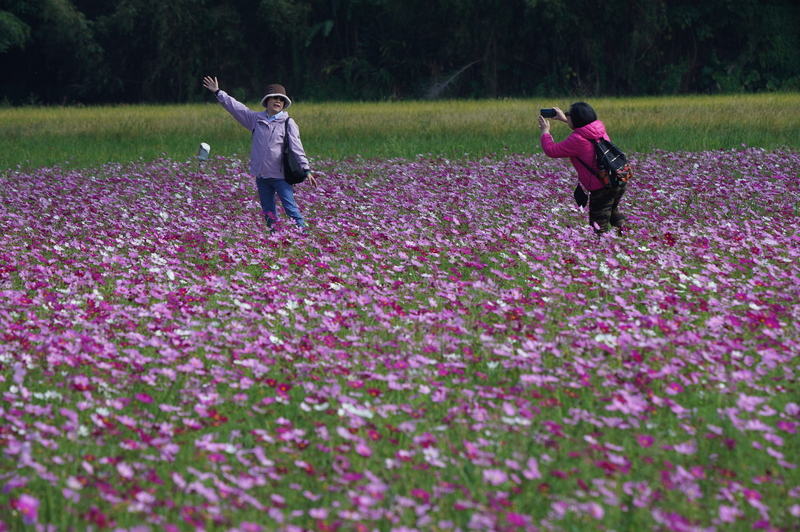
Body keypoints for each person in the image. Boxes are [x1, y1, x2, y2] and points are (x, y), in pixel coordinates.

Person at [202, 76, 318, 232]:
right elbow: (236, 107)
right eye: (274, 98)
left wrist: (306, 169)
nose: (277, 101)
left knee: (291, 209)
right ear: (267, 101)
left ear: (284, 103)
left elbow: (297, 147)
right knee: (269, 213)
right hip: (262, 177)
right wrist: (218, 92)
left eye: (281, 99)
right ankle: (274, 238)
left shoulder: (287, 122)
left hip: (281, 177)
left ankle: (302, 235)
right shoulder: (255, 119)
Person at [538, 102, 627, 235]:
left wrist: (545, 132)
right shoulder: (599, 129)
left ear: (576, 120)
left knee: (598, 224)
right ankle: (625, 236)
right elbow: (585, 132)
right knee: (612, 209)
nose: (567, 116)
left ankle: (601, 248)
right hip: (617, 178)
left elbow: (551, 150)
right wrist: (565, 119)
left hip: (601, 186)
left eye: (569, 115)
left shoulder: (577, 140)